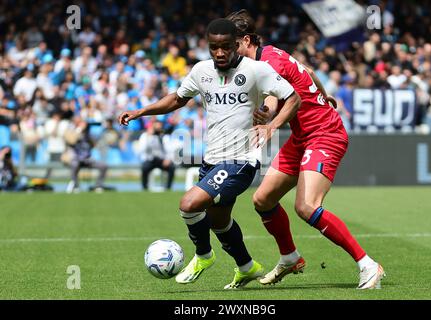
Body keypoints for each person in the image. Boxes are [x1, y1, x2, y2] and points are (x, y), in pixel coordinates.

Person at [118, 18, 300, 289]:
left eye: (226, 47)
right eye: (214, 47)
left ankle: (203, 255)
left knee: (189, 204)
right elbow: (178, 98)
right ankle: (247, 267)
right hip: (212, 158)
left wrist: (272, 125)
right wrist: (141, 111)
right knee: (219, 219)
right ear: (208, 46)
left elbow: (293, 97)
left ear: (236, 45)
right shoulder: (201, 71)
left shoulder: (256, 70)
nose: (220, 53)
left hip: (241, 160)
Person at [227, 10, 385, 289]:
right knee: (263, 200)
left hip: (325, 134)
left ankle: (368, 265)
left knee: (306, 206)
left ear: (246, 40)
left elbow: (281, 99)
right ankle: (290, 257)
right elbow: (308, 73)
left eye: (232, 44)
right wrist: (323, 95)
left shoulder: (267, 62)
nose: (228, 51)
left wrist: (271, 121)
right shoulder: (269, 54)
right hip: (302, 137)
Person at [65, 118, 108, 193]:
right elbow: (72, 140)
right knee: (74, 165)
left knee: (103, 166)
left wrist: (88, 132)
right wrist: (79, 130)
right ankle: (75, 186)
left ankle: (98, 186)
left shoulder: (87, 134)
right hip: (75, 158)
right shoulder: (70, 132)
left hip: (87, 159)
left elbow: (94, 144)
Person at [137, 120, 176, 191]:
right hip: (150, 159)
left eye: (159, 126)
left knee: (172, 167)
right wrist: (149, 137)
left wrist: (168, 159)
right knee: (144, 168)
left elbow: (170, 150)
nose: (158, 128)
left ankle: (168, 188)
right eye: (156, 126)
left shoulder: (165, 137)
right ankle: (145, 188)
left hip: (162, 160)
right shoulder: (145, 136)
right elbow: (141, 150)